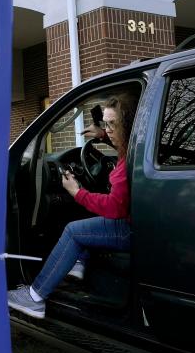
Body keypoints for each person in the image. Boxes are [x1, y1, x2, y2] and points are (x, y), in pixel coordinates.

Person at [8, 94, 137, 319]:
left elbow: (115, 208)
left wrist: (77, 192)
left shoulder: (127, 160)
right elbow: (120, 140)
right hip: (134, 222)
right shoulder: (134, 145)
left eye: (111, 124)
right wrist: (102, 136)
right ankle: (78, 264)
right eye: (104, 124)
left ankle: (35, 297)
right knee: (83, 217)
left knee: (73, 230)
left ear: (126, 124)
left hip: (129, 229)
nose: (107, 129)